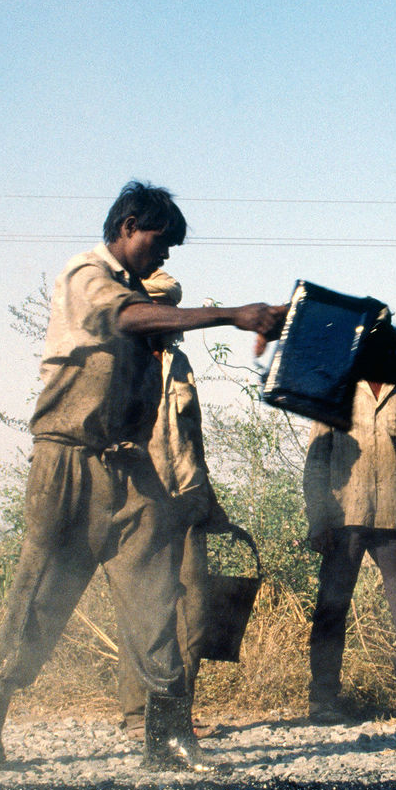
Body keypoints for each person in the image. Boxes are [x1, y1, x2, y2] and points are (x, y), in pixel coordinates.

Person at [0, 181, 284, 770]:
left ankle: (168, 737)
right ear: (129, 226)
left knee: (156, 596)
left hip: (131, 467)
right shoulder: (85, 274)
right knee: (41, 594)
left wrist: (273, 319)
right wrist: (234, 314)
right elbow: (130, 318)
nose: (165, 255)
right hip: (69, 460)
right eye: (161, 241)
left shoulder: (137, 291)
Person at [116, 269, 239, 740]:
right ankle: (137, 716)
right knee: (143, 610)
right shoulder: (116, 359)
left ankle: (175, 714)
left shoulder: (179, 362)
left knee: (193, 611)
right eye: (157, 309)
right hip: (136, 502)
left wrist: (209, 500)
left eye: (170, 311)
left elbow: (193, 437)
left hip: (185, 499)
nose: (167, 319)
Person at [303, 374, 396, 727]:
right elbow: (316, 460)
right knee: (331, 609)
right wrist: (318, 518)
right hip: (343, 517)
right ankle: (323, 698)